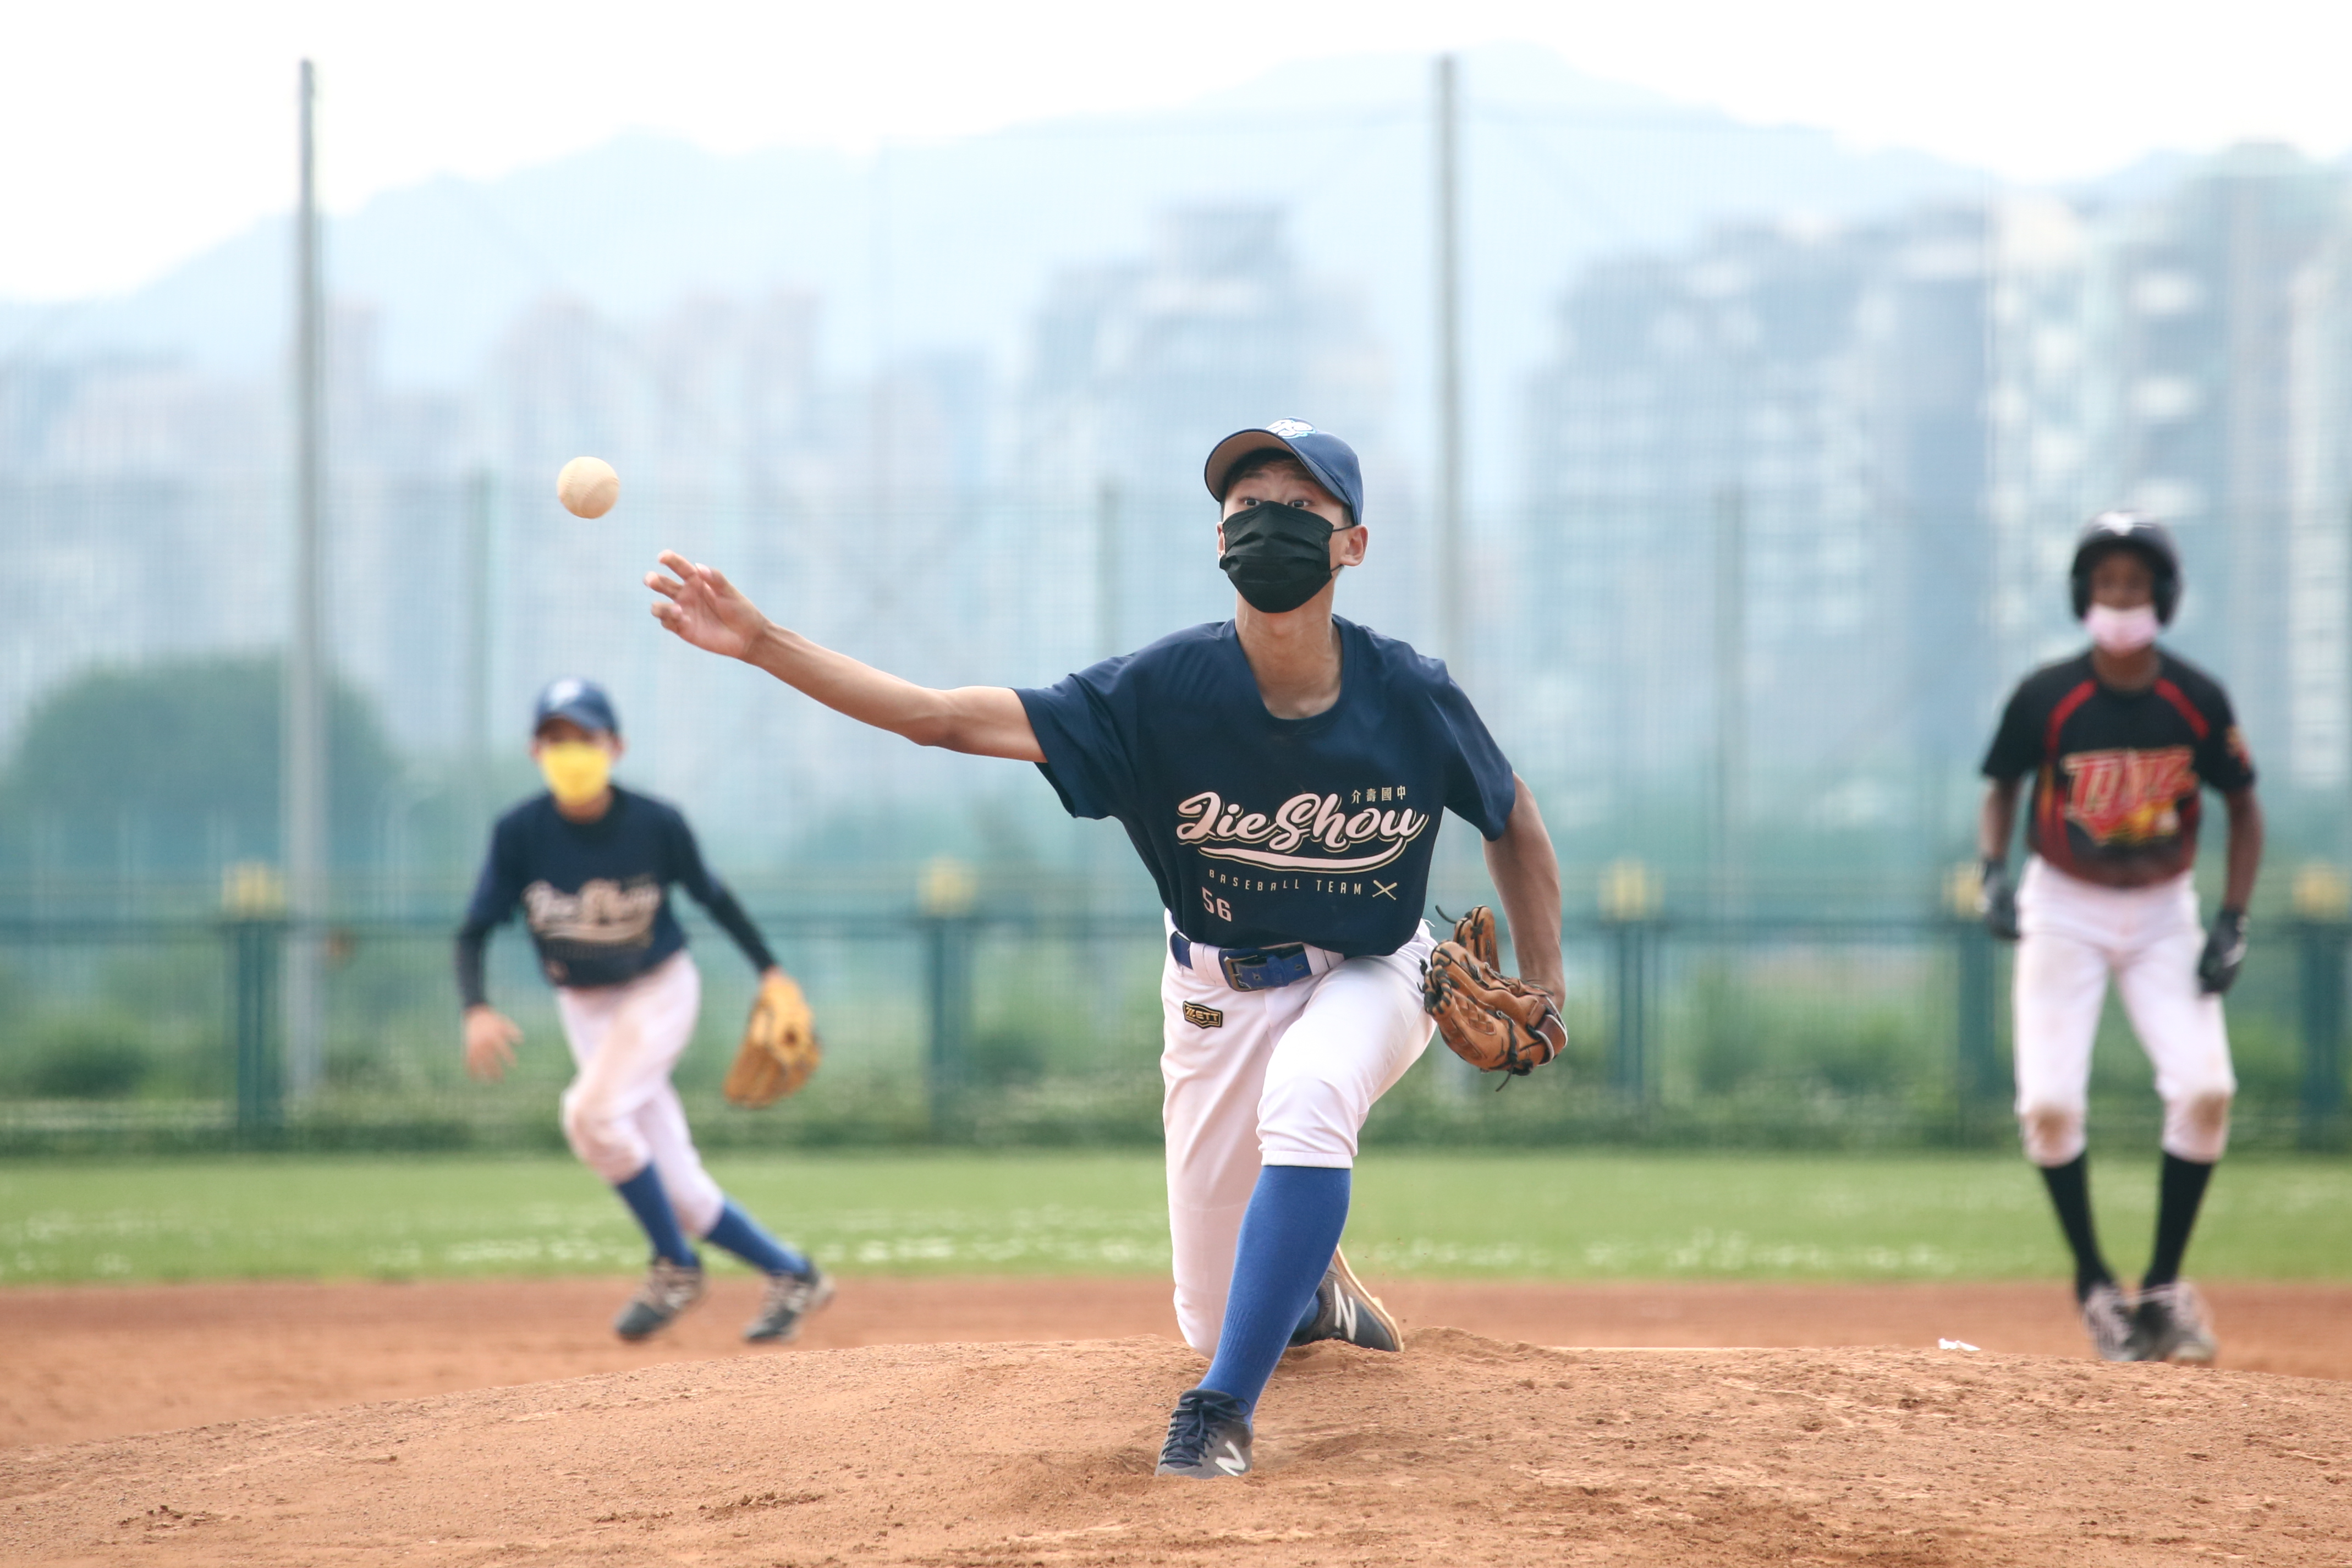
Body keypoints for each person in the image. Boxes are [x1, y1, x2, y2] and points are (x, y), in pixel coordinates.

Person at [644, 420, 1564, 1477]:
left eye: (1301, 506)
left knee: (1311, 1094)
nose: (1269, 521)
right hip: (1215, 993)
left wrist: (1546, 982)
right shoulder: (1158, 694)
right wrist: (763, 641)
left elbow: (1511, 815)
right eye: (1247, 503)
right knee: (1212, 1311)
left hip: (1376, 967)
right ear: (1217, 537)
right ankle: (1312, 1295)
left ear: (1352, 544)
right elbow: (942, 719)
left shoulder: (1408, 693)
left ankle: (1219, 1415)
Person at [455, 677, 833, 1344]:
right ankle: (792, 1273)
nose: (571, 751)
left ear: (616, 746)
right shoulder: (520, 832)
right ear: (535, 750)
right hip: (583, 1005)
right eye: (556, 738)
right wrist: (476, 1007)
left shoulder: (655, 823)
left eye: (584, 737)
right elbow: (475, 928)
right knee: (678, 1186)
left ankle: (675, 1266)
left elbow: (714, 897)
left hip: (658, 990)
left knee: (590, 1116)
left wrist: (769, 969)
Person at [1976, 512, 2261, 1363]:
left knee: (2206, 1086)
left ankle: (2164, 1288)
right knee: (2049, 1103)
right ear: (2083, 594)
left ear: (2163, 596)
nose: (2121, 596)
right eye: (2107, 582)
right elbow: (2003, 784)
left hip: (2165, 909)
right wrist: (1992, 871)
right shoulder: (2047, 694)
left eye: (2136, 582)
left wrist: (2232, 918)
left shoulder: (2196, 697)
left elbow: (2244, 808)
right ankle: (2095, 1283)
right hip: (2064, 903)